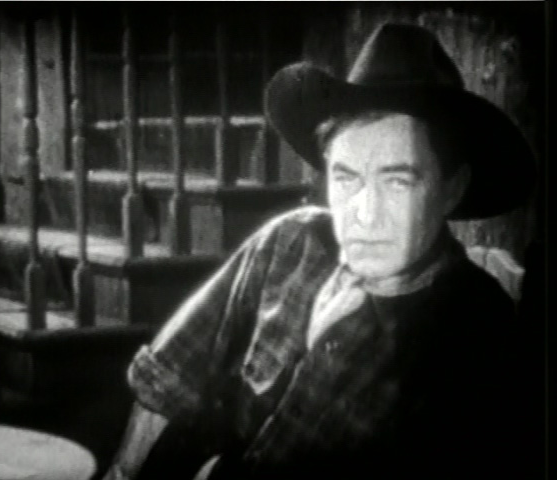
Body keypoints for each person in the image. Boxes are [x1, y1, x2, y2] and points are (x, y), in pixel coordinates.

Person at [104, 23, 535, 480]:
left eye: (398, 182)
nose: (365, 215)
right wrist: (122, 474)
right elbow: (169, 375)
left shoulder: (476, 327)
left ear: (452, 189)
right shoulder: (291, 240)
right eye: (347, 178)